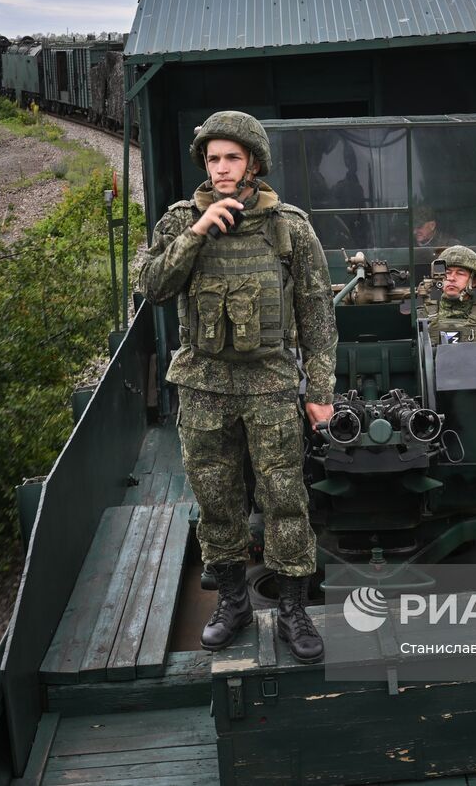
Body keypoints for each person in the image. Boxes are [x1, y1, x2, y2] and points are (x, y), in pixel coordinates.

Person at [138, 111, 337, 664]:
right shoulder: (180, 222)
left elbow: (317, 312)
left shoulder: (289, 226)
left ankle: (293, 609)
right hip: (203, 386)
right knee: (216, 498)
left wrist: (319, 390)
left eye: (231, 158)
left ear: (253, 163)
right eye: (212, 159)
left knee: (284, 498)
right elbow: (152, 286)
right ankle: (232, 602)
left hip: (270, 384)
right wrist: (198, 235)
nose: (221, 169)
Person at [420, 245, 476, 345]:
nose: (451, 278)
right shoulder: (422, 315)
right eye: (447, 272)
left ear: (473, 281)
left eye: (460, 273)